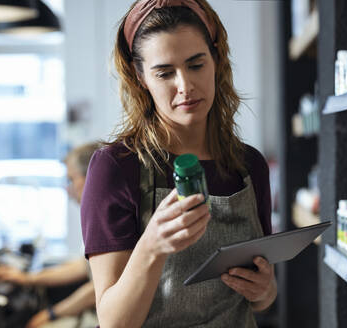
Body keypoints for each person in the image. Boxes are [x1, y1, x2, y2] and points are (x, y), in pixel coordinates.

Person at [80, 1, 277, 327]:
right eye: (165, 73)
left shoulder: (249, 166)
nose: (185, 86)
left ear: (216, 60)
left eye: (196, 65)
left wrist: (264, 290)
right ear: (140, 76)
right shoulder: (116, 168)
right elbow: (114, 321)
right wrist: (152, 247)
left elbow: (263, 301)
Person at [0, 142, 101, 328]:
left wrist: (50, 314)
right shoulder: (94, 217)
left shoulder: (105, 220)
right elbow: (83, 267)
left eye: (71, 180)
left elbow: (96, 289)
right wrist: (28, 278)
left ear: (90, 177)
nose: (67, 189)